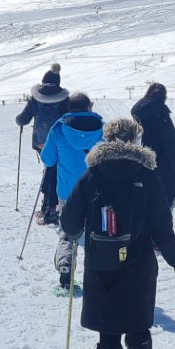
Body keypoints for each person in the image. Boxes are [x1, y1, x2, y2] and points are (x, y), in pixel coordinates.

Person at [60, 118, 175, 349]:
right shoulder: (147, 175)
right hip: (139, 264)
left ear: (107, 139)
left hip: (102, 267)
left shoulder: (93, 175)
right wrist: (174, 257)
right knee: (138, 325)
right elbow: (162, 223)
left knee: (109, 335)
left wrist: (73, 237)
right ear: (136, 141)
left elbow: (70, 219)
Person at [41, 93, 104, 292]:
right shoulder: (102, 128)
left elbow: (48, 160)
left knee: (68, 232)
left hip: (68, 191)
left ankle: (65, 266)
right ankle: (100, 272)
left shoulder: (59, 129)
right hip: (97, 190)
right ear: (88, 107)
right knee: (96, 233)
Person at [16, 80, 70, 224]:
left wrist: (18, 121)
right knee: (55, 174)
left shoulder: (35, 99)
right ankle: (53, 209)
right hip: (60, 143)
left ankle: (47, 208)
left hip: (41, 144)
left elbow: (23, 119)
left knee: (49, 170)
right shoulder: (64, 99)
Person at [129, 82, 175, 207]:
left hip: (143, 162)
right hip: (163, 165)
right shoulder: (160, 115)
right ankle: (160, 224)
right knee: (170, 194)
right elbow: (171, 143)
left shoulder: (138, 114)